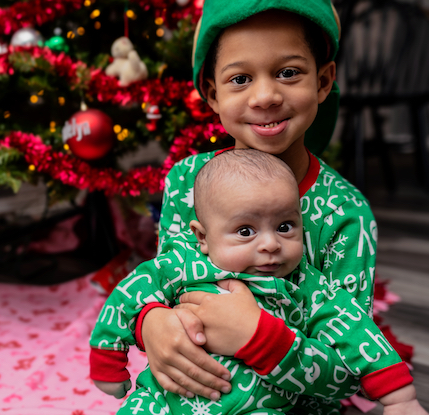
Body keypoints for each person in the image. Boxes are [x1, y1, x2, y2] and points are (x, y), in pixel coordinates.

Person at [135, 2, 418, 414]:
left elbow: (347, 373)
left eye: (288, 72)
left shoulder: (346, 214)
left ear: (323, 81)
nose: (265, 96)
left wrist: (257, 336)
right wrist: (152, 323)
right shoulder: (186, 181)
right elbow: (164, 283)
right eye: (240, 78)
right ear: (213, 94)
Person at [89, 149, 424, 414]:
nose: (270, 244)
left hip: (262, 405)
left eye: (285, 226)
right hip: (170, 397)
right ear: (203, 237)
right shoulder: (182, 264)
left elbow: (355, 330)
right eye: (246, 231)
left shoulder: (306, 284)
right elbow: (129, 294)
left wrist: (400, 398)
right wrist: (108, 360)